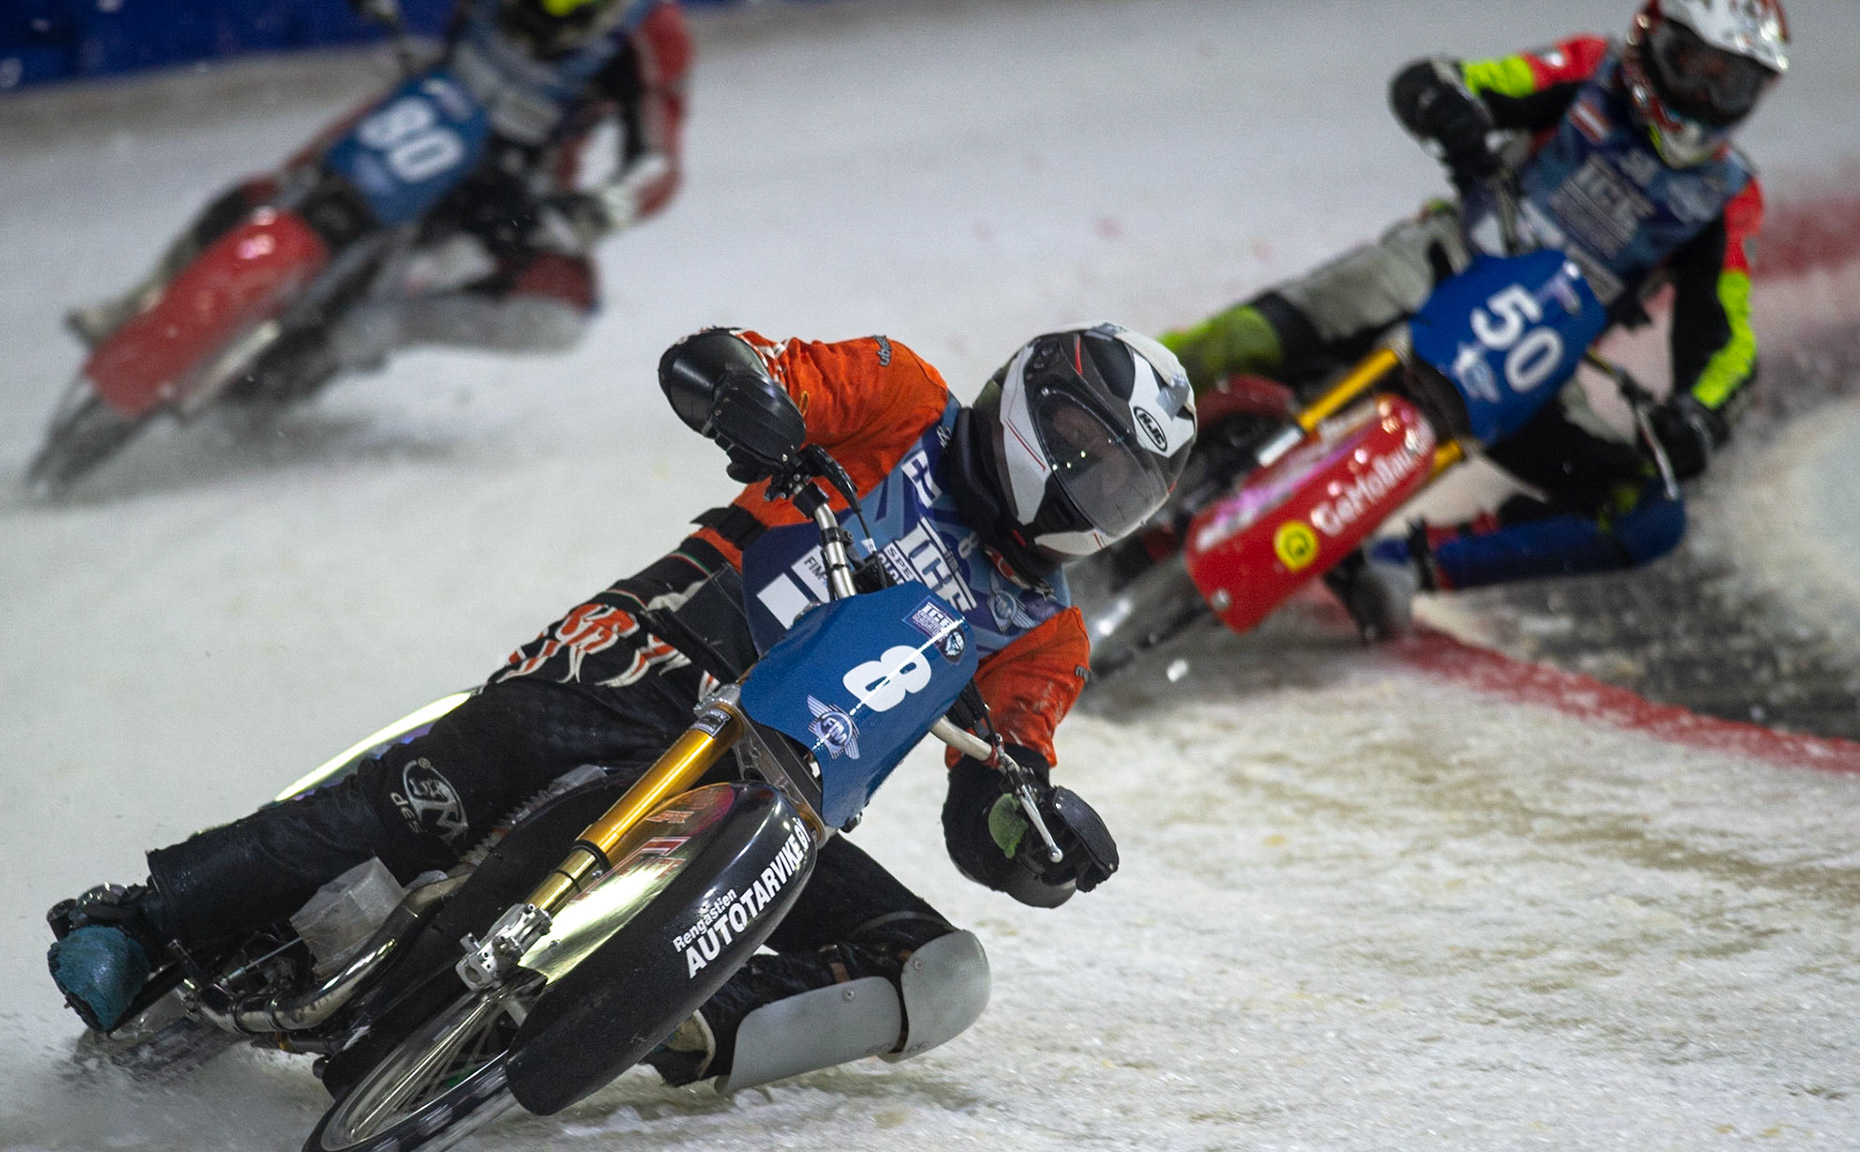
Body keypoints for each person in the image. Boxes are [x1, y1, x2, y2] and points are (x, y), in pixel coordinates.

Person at [46, 322, 1197, 1090]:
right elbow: (740, 360)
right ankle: (148, 918)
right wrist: (752, 398)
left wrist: (1030, 839)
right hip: (642, 663)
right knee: (427, 803)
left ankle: (668, 1013)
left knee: (939, 971)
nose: (1093, 494)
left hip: (773, 804)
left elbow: (995, 794)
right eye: (1089, 455)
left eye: (1121, 487)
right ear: (1031, 407)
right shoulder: (899, 399)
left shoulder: (1043, 636)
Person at [1160, 0, 1786, 638]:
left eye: (1728, 81)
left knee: (1648, 514)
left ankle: (1400, 565)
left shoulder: (1729, 195)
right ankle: (1107, 407)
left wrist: (1700, 416)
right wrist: (1446, 107)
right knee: (1249, 338)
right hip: (1448, 258)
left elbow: (1725, 336)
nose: (1704, 95)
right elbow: (1457, 79)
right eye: (1691, 66)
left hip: (1536, 357)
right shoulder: (1589, 69)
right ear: (1652, 44)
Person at [67, 0, 692, 372]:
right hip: (424, 112)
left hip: (517, 189)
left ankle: (381, 326)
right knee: (282, 190)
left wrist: (591, 212)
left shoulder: (654, 36)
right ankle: (143, 300)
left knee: (559, 313)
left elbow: (659, 164)